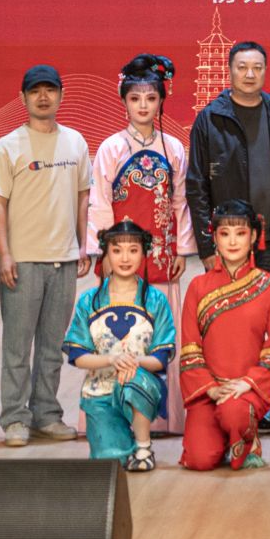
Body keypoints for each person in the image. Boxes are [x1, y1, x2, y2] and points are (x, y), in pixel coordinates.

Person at [89, 54, 198, 434]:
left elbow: (180, 201)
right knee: (120, 333)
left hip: (162, 253)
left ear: (161, 101)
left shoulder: (174, 148)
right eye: (135, 98)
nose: (143, 106)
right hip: (121, 254)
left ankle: (163, 418)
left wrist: (181, 248)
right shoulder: (111, 148)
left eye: (151, 98)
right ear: (124, 101)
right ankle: (117, 415)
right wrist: (105, 251)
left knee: (160, 332)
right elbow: (100, 202)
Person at [0, 63, 93, 447]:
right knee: (18, 347)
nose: (43, 97)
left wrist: (83, 245)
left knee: (51, 347)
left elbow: (83, 198)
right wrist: (4, 254)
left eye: (50, 90)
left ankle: (46, 414)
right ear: (23, 98)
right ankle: (15, 417)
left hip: (63, 260)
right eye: (35, 91)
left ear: (61, 95)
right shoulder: (8, 146)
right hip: (23, 261)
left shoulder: (76, 143)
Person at [177, 200, 270, 471]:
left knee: (234, 413)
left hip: (247, 389)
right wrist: (211, 388)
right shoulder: (198, 286)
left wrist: (247, 383)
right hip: (208, 389)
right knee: (199, 460)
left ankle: (245, 436)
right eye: (225, 234)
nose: (233, 241)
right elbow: (190, 347)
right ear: (214, 238)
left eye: (241, 233)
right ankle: (224, 435)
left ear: (254, 236)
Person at [65, 219, 176, 472]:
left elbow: (160, 358)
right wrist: (112, 360)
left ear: (143, 254)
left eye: (133, 250)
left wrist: (132, 363)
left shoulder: (156, 300)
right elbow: (78, 355)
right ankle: (122, 441)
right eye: (117, 250)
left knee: (134, 380)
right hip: (99, 390)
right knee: (109, 462)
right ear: (106, 254)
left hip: (139, 384)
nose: (125, 258)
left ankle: (143, 448)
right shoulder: (89, 301)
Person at [188, 41, 270, 277]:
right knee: (226, 299)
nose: (250, 74)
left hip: (269, 240)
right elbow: (196, 186)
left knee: (266, 299)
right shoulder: (210, 119)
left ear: (265, 70)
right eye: (242, 67)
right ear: (230, 70)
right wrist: (206, 246)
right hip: (227, 239)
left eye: (257, 68)